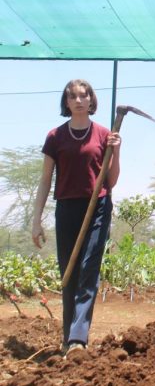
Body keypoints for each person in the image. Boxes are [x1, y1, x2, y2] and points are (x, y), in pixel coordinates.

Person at [32, 79, 121, 355]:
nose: (79, 100)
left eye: (84, 95)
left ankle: (78, 339)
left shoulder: (105, 135)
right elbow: (46, 180)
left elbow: (112, 180)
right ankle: (67, 333)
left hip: (98, 207)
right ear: (67, 102)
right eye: (73, 96)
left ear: (92, 100)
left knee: (88, 269)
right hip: (67, 208)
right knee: (68, 272)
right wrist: (36, 219)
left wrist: (115, 152)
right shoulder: (55, 137)